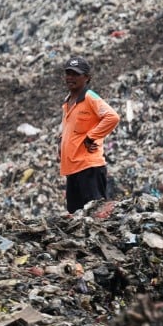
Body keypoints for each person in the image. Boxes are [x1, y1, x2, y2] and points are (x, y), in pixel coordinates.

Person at [59, 56, 120, 213]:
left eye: (75, 74)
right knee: (76, 216)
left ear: (86, 77)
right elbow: (71, 129)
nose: (70, 77)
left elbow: (112, 117)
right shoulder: (67, 102)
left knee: (96, 213)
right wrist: (61, 144)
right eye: (68, 73)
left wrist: (91, 136)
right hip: (72, 169)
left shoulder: (89, 97)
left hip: (89, 168)